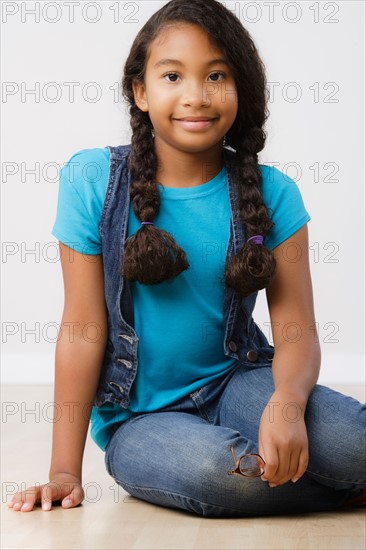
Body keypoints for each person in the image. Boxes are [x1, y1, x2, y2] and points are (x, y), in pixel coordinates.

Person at [8, 0, 365, 517]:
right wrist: (64, 471)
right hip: (141, 418)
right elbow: (83, 327)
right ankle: (334, 487)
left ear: (241, 88)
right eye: (172, 75)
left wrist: (286, 404)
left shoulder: (273, 192)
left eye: (216, 75)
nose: (196, 96)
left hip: (238, 381)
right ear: (140, 90)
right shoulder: (91, 181)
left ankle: (333, 471)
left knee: (355, 441)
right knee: (221, 474)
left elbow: (297, 332)